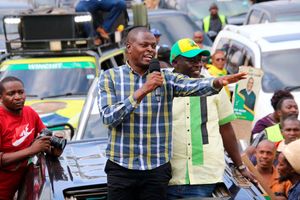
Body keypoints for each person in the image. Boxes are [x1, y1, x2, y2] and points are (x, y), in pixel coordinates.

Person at [98, 27, 247, 200]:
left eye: (153, 46)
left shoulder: (166, 78)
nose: (150, 50)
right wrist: (142, 91)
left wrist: (216, 82)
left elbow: (191, 86)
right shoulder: (110, 77)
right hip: (121, 168)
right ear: (129, 47)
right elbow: (108, 117)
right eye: (144, 45)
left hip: (156, 171)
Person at [167, 38, 252, 199]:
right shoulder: (162, 86)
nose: (198, 64)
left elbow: (225, 127)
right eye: (191, 60)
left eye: (200, 60)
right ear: (175, 62)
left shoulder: (215, 85)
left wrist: (240, 166)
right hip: (167, 175)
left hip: (203, 175)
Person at [0, 76, 62, 199]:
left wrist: (53, 150)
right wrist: (31, 150)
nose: (18, 97)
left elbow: (43, 141)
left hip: (22, 184)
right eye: (11, 94)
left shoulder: (29, 112)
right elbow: (33, 148)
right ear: (1, 97)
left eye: (21, 92)